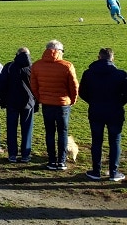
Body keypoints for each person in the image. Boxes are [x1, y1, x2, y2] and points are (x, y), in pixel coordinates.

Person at [79, 48, 127, 181]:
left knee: (96, 141)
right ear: (112, 58)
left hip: (96, 111)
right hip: (115, 112)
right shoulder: (121, 74)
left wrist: (93, 102)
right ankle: (114, 172)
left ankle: (96, 171)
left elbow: (82, 92)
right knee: (115, 141)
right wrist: (119, 103)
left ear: (98, 57)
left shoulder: (88, 73)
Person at [30, 39, 78, 171]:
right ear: (59, 51)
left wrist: (40, 98)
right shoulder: (67, 66)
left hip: (46, 103)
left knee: (49, 132)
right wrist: (73, 100)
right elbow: (74, 86)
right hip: (63, 104)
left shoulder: (37, 65)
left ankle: (51, 160)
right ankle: (61, 161)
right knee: (62, 132)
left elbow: (34, 86)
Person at [0, 47, 35, 163]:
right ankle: (25, 155)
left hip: (12, 102)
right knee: (27, 129)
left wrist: (3, 101)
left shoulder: (9, 66)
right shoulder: (33, 67)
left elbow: (1, 85)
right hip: (28, 103)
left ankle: (12, 154)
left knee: (11, 129)